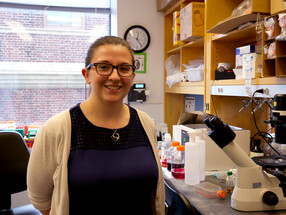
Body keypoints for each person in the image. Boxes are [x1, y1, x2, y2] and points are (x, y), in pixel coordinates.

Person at [27, 36, 165, 215]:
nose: (115, 77)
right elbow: (41, 200)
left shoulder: (145, 123)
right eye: (104, 67)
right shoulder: (57, 129)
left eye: (124, 68)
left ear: (132, 77)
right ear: (87, 75)